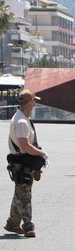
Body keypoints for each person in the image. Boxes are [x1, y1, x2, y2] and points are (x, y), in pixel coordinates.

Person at [4, 90, 47, 238]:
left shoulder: (21, 118)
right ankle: (28, 226)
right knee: (25, 196)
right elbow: (25, 146)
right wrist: (42, 154)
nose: (35, 104)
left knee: (20, 194)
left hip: (22, 162)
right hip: (22, 163)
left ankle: (13, 223)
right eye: (34, 101)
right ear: (29, 103)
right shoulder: (22, 121)